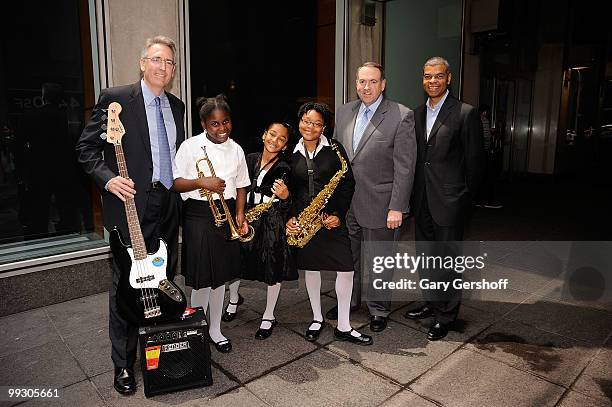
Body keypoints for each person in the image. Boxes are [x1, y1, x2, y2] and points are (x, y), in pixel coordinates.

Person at [76, 36, 185, 394]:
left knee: (161, 281)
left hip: (167, 203)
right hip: (129, 205)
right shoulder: (116, 98)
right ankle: (123, 366)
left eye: (169, 62)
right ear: (142, 63)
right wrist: (108, 181)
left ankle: (157, 356)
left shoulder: (177, 106)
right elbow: (86, 148)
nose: (163, 68)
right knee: (126, 286)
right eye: (156, 59)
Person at [328, 62, 417, 333]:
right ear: (356, 83)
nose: (366, 87)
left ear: (383, 84)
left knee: (379, 260)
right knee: (347, 258)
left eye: (372, 82)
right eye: (362, 81)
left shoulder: (401, 115)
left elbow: (405, 166)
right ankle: (351, 301)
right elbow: (336, 157)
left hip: (381, 203)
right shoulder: (343, 112)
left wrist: (397, 208)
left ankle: (379, 309)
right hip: (347, 204)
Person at [405, 56, 485, 341]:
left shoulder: (465, 112)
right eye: (427, 76)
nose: (432, 81)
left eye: (438, 76)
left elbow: (475, 163)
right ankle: (431, 302)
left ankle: (446, 315)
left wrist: (463, 200)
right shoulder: (416, 114)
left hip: (450, 202)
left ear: (448, 78)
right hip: (422, 199)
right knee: (425, 257)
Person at [286, 102, 372, 345]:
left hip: (330, 219)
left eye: (316, 123)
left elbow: (347, 183)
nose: (310, 127)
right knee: (311, 268)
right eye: (306, 121)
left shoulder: (335, 149)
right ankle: (317, 318)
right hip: (305, 221)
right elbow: (287, 191)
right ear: (299, 121)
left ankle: (344, 325)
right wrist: (291, 216)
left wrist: (338, 212)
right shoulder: (290, 153)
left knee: (346, 268)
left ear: (324, 127)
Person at [172, 94, 250, 354]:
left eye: (226, 122)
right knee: (202, 278)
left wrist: (240, 214)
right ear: (203, 123)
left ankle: (215, 330)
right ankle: (196, 328)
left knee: (221, 278)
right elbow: (174, 183)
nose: (222, 128)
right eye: (215, 123)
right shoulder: (189, 146)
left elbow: (241, 186)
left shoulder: (236, 148)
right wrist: (201, 183)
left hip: (225, 214)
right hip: (198, 215)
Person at [224, 121, 297, 339]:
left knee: (272, 266)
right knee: (236, 260)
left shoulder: (286, 167)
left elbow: (288, 204)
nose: (275, 140)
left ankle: (268, 314)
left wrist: (286, 197)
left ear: (285, 146)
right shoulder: (249, 159)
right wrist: (239, 212)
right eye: (272, 134)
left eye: (281, 138)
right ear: (264, 134)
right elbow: (239, 187)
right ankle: (234, 299)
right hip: (245, 214)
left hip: (271, 220)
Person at [475, 104, 503, 209]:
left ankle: (480, 199)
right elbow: (486, 137)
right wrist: (491, 133)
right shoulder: (484, 121)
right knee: (487, 176)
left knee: (482, 176)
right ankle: (486, 199)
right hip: (483, 151)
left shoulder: (475, 120)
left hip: (478, 152)